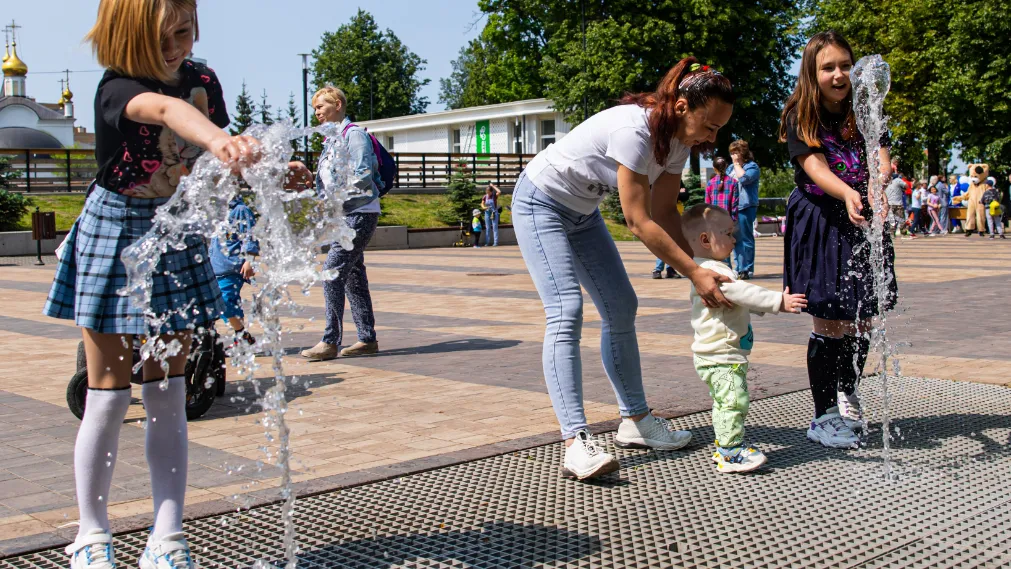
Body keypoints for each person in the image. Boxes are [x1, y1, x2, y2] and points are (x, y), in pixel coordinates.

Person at [42, 1, 259, 567]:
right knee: (109, 395)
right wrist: (216, 139)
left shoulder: (203, 82)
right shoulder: (119, 88)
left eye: (183, 33)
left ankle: (167, 538)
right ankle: (92, 535)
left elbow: (216, 162)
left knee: (169, 394)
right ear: (125, 34)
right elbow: (163, 110)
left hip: (174, 232)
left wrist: (264, 169)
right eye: (160, 38)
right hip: (115, 236)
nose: (174, 49)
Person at [512, 57, 734, 480]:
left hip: (581, 213)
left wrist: (703, 265)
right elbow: (637, 220)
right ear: (683, 107)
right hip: (540, 201)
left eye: (720, 129)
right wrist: (693, 272)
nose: (713, 137)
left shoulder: (680, 144)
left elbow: (665, 211)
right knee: (565, 310)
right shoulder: (635, 130)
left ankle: (635, 420)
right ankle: (575, 442)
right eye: (711, 125)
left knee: (621, 306)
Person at [779, 31, 896, 449]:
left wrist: (880, 184)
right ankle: (822, 414)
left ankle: (848, 392)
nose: (839, 74)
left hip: (860, 219)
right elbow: (814, 165)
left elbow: (879, 154)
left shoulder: (863, 108)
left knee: (863, 315)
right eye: (828, 67)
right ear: (812, 72)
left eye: (845, 65)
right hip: (821, 220)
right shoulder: (800, 113)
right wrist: (847, 191)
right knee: (829, 318)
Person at [684, 204, 807, 472]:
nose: (734, 239)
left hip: (715, 352)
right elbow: (742, 293)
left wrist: (765, 307)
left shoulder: (703, 269)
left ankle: (727, 445)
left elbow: (737, 301)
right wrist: (778, 301)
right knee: (733, 400)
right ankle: (729, 452)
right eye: (727, 233)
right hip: (722, 354)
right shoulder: (716, 273)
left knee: (726, 400)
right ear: (706, 239)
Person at [296, 86, 381, 361]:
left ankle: (330, 341)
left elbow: (363, 174)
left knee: (331, 270)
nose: (317, 112)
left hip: (359, 212)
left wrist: (337, 201)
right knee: (353, 276)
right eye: (316, 108)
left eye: (321, 106)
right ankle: (367, 339)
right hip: (344, 215)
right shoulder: (332, 140)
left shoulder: (353, 134)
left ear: (338, 104)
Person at [209, 193, 259, 347]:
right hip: (214, 268)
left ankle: (241, 335)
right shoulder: (217, 211)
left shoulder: (240, 210)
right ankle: (240, 337)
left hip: (231, 268)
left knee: (225, 302)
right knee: (220, 303)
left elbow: (250, 236)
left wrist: (249, 261)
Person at [729, 140, 760, 280]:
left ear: (743, 153)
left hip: (746, 206)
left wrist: (736, 164)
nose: (733, 155)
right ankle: (739, 267)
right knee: (735, 239)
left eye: (736, 152)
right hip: (732, 207)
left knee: (746, 238)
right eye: (731, 153)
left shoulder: (752, 167)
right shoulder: (730, 168)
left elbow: (744, 179)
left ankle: (748, 268)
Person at [705, 157, 739, 265]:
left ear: (714, 169)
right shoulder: (733, 182)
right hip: (727, 219)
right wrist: (733, 219)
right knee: (726, 245)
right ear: (726, 166)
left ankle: (719, 270)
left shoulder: (710, 183)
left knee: (716, 245)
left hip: (714, 221)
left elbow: (707, 204)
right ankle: (727, 269)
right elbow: (735, 204)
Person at [653, 181, 688, 279]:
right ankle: (657, 269)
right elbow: (666, 196)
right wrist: (678, 193)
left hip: (676, 219)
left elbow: (685, 195)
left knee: (673, 245)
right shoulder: (660, 183)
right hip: (665, 219)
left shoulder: (679, 182)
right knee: (665, 244)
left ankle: (670, 269)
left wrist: (679, 193)